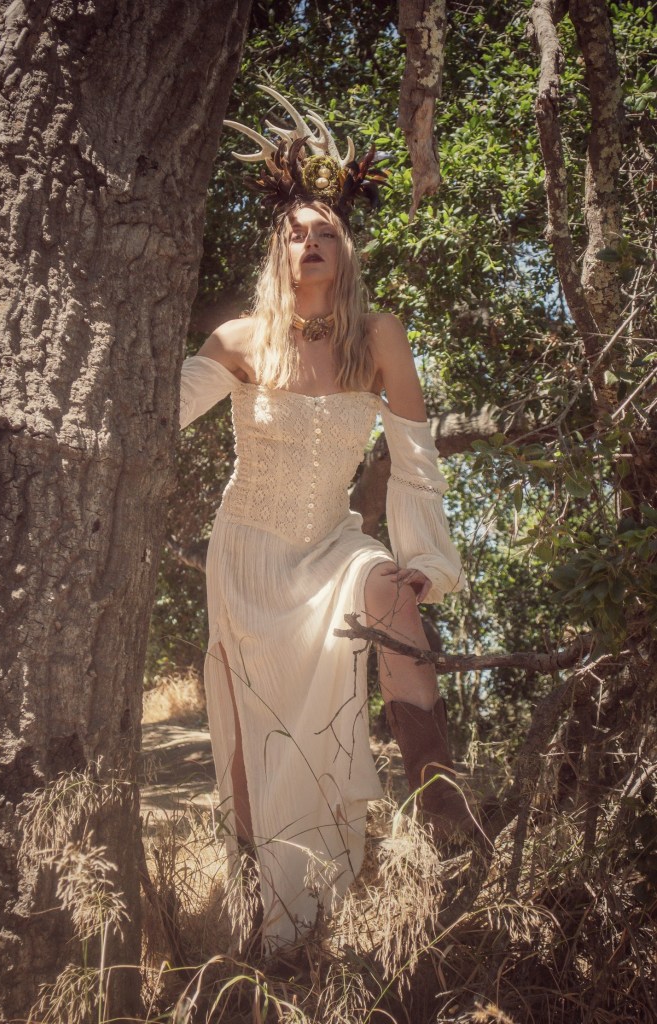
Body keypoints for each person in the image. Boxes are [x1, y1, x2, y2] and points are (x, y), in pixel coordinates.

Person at [178, 87, 468, 952]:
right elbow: (155, 418)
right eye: (297, 232)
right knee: (256, 734)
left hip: (331, 540)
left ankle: (441, 824)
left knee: (393, 597)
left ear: (346, 250)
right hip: (250, 556)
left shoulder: (377, 335)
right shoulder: (238, 340)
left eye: (327, 232)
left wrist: (423, 557)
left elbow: (413, 448)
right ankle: (261, 914)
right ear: (278, 250)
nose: (311, 243)